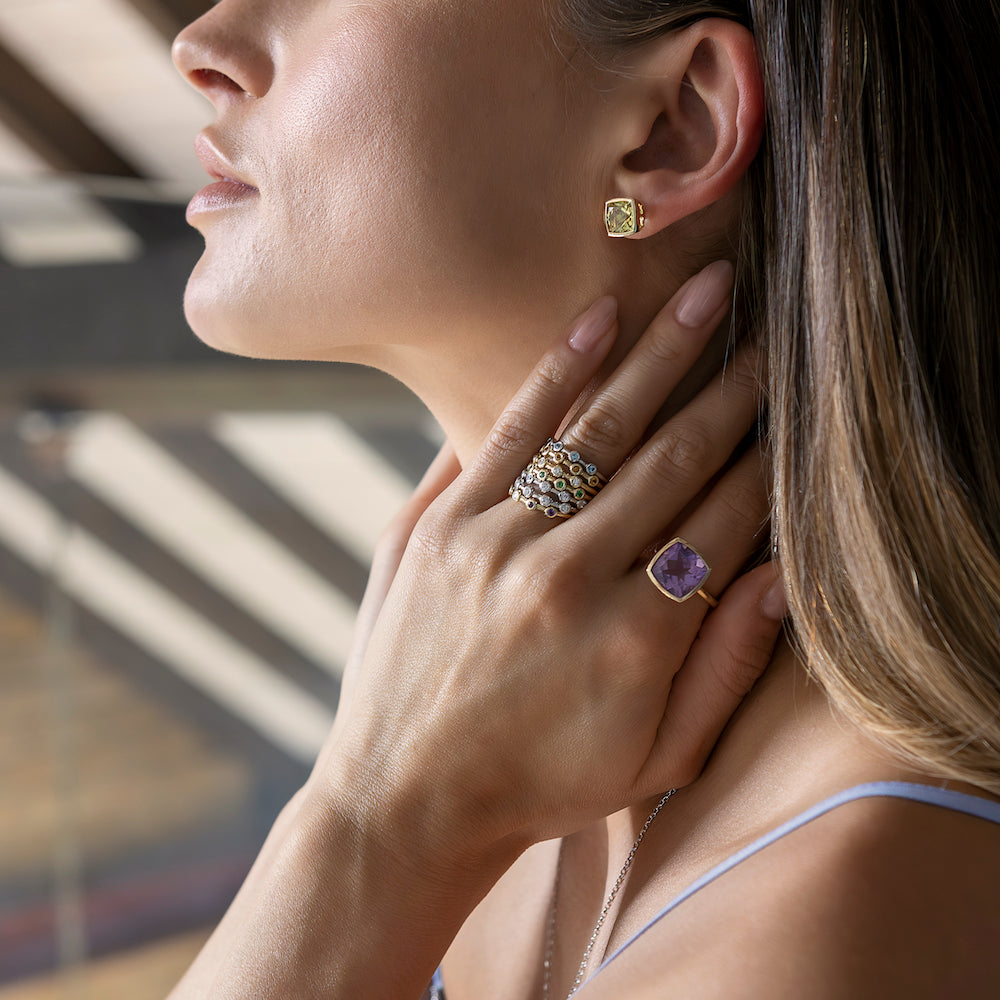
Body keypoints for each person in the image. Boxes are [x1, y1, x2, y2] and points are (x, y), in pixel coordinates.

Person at [167, 0, 1000, 997]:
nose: (200, 49)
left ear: (672, 129)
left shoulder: (833, 933)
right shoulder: (472, 739)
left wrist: (374, 827)